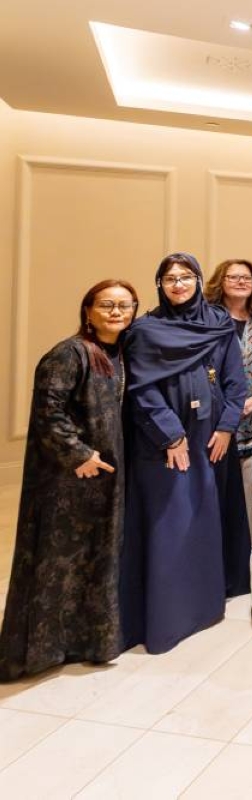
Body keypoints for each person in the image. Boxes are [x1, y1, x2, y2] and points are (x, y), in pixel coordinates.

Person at [0, 281, 138, 681]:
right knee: (55, 564)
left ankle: (86, 643)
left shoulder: (119, 354)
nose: (116, 312)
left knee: (93, 560)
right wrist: (78, 455)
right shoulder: (69, 352)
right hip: (67, 480)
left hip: (103, 480)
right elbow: (49, 410)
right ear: (88, 310)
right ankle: (37, 653)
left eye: (124, 305)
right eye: (107, 305)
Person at [122, 253, 248, 654]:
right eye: (169, 278)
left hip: (211, 439)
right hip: (165, 442)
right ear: (159, 285)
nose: (178, 284)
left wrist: (227, 427)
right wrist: (171, 436)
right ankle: (170, 616)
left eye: (185, 276)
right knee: (171, 522)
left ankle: (205, 605)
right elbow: (142, 388)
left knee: (205, 517)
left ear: (197, 280)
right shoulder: (146, 330)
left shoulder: (218, 323)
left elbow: (235, 381)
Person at [204, 258, 252, 535]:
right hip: (212, 418)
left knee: (249, 495)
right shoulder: (206, 319)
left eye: (247, 278)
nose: (241, 282)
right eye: (233, 277)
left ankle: (246, 553)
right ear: (220, 282)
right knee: (213, 495)